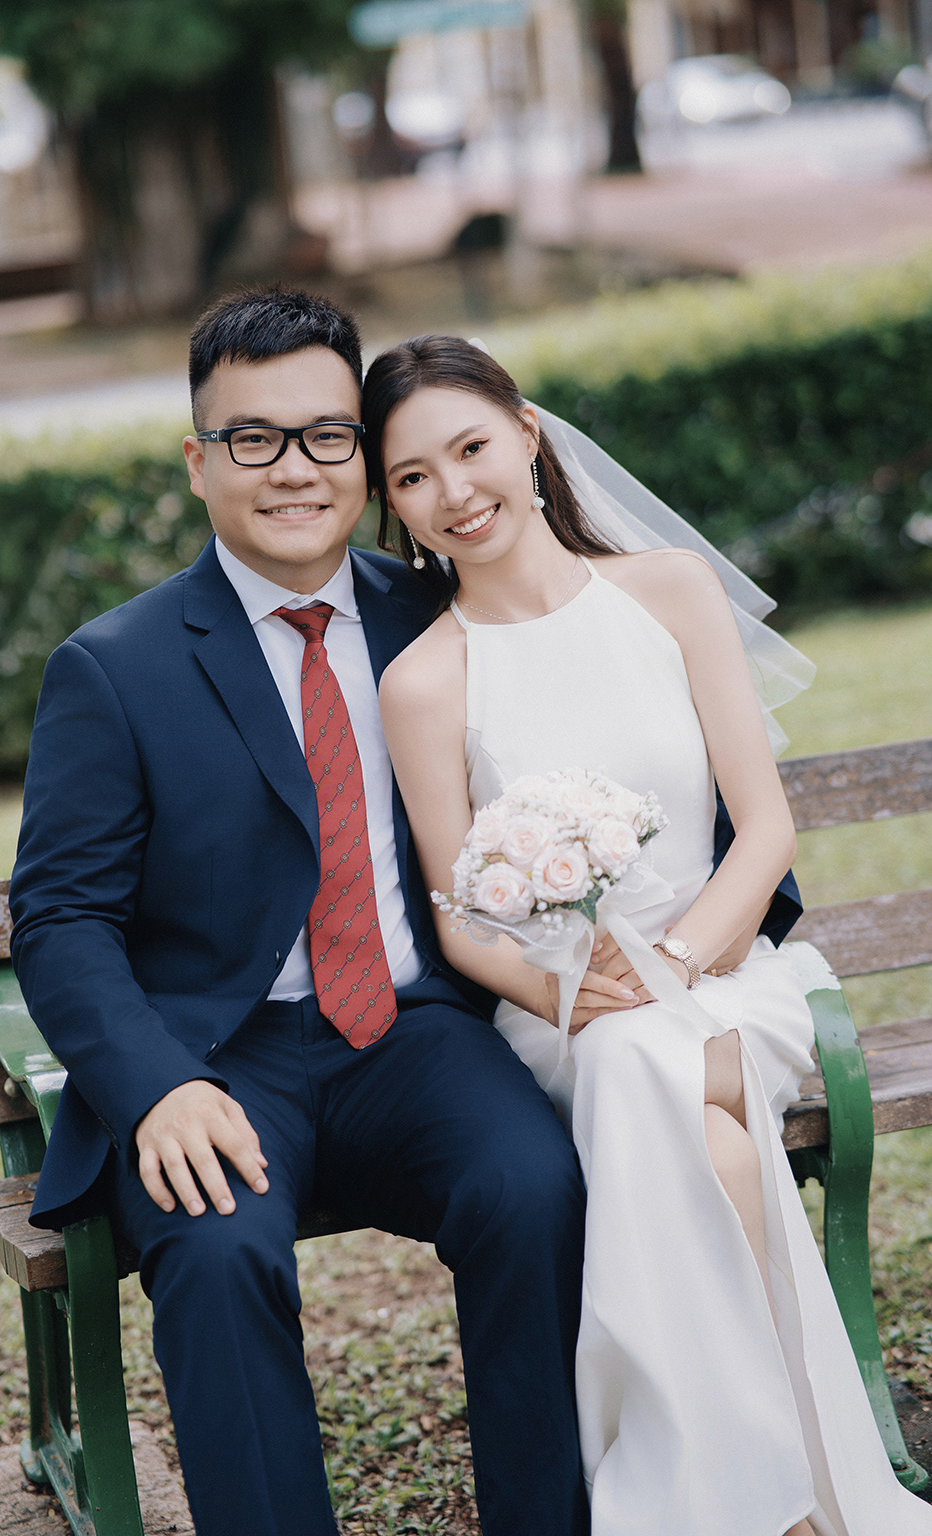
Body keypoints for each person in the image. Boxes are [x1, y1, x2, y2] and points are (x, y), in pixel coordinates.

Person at [8, 285, 790, 1536]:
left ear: (362, 462)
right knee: (216, 1246)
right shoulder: (117, 665)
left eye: (326, 436)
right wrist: (155, 1088)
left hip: (415, 1034)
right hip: (219, 1056)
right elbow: (58, 921)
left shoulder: (434, 612)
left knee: (531, 1187)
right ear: (200, 462)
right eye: (253, 439)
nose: (295, 468)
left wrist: (683, 926)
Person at [365, 333, 932, 1536]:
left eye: (470, 448)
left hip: (728, 972)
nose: (453, 492)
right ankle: (794, 1502)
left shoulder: (667, 590)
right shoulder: (422, 681)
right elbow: (461, 923)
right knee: (700, 1132)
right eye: (412, 476)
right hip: (564, 1014)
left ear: (526, 434)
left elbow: (764, 829)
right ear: (394, 504)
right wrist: (572, 992)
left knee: (653, 1077)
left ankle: (712, 1503)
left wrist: (672, 967)